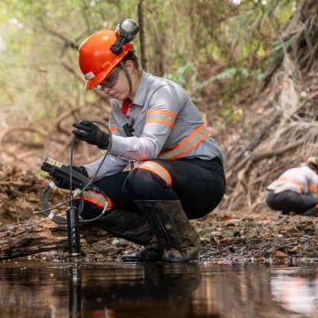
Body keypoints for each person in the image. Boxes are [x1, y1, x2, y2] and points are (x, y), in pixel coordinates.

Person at [60, 21, 226, 262]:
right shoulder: (119, 106)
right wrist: (81, 172)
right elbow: (117, 159)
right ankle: (159, 239)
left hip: (203, 181)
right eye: (101, 85)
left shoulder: (162, 92)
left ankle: (183, 245)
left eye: (109, 79)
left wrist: (105, 139)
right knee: (84, 200)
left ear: (128, 65)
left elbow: (148, 148)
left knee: (143, 174)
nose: (106, 88)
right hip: (155, 179)